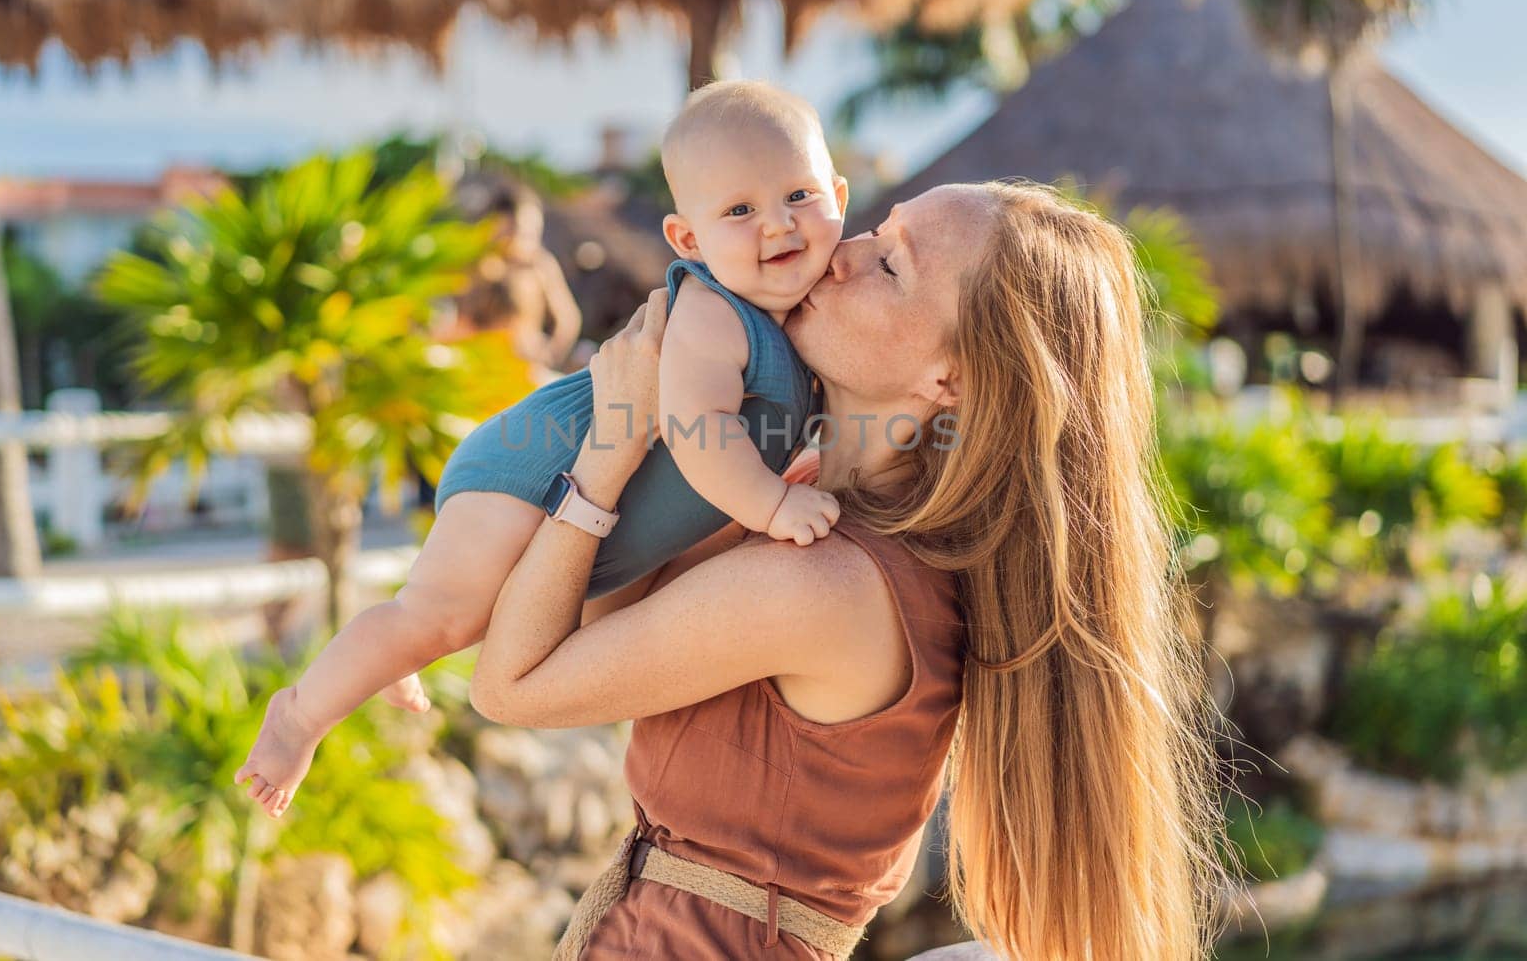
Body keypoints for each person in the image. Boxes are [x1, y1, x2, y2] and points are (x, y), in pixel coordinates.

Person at [465, 182, 1232, 960]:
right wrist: (672, 418)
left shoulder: (828, 585)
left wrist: (608, 449)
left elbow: (511, 683)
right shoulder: (792, 496)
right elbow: (593, 619)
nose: (836, 257)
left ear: (951, 377)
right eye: (872, 230)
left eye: (891, 265)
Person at [236, 81, 849, 810]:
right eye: (740, 210)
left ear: (839, 194)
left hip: (574, 492)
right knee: (440, 616)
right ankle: (300, 713)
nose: (778, 225)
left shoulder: (816, 303)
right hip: (528, 468)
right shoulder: (715, 315)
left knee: (453, 615)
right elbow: (700, 435)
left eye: (799, 196)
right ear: (689, 241)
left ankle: (395, 650)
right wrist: (774, 502)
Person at [438, 180, 584, 373]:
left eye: (531, 232)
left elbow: (568, 320)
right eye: (517, 230)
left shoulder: (538, 265)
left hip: (524, 365)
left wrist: (549, 354)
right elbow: (454, 318)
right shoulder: (475, 264)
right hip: (478, 364)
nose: (525, 238)